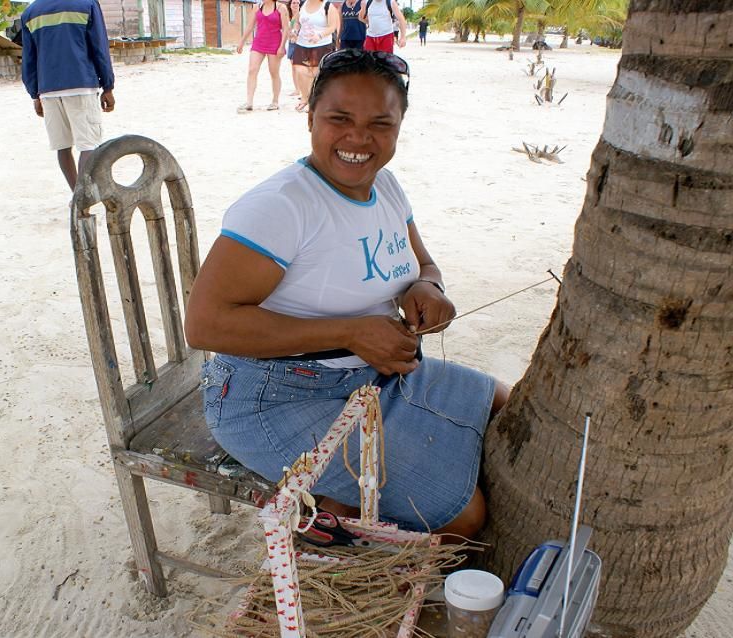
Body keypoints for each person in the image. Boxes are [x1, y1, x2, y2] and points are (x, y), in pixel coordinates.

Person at [185, 49, 509, 539]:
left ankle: (343, 506)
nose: (359, 138)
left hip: (372, 377)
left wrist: (429, 287)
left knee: (507, 404)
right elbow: (205, 324)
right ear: (310, 115)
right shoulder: (282, 207)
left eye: (381, 123)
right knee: (464, 517)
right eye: (340, 118)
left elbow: (423, 263)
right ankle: (340, 527)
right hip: (272, 397)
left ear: (400, 126)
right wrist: (351, 333)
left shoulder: (388, 187)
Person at [20, 0, 115, 191]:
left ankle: (76, 197)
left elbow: (29, 59)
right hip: (81, 84)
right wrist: (108, 86)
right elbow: (99, 47)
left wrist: (34, 94)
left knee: (62, 147)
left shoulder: (31, 12)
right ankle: (82, 200)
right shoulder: (86, 4)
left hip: (48, 89)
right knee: (88, 145)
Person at [237, 0, 290, 111]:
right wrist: (241, 42)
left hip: (275, 43)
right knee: (252, 70)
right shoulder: (257, 7)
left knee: (274, 72)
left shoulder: (281, 8)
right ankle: (249, 102)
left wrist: (282, 46)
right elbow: (250, 26)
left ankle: (275, 101)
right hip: (259, 42)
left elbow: (286, 28)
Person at [290, 0, 341, 111]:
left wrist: (319, 35)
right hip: (302, 43)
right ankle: (304, 98)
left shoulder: (327, 6)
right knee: (300, 70)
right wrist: (294, 31)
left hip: (321, 44)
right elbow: (297, 21)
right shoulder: (303, 4)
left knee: (315, 72)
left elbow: (333, 27)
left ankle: (314, 101)